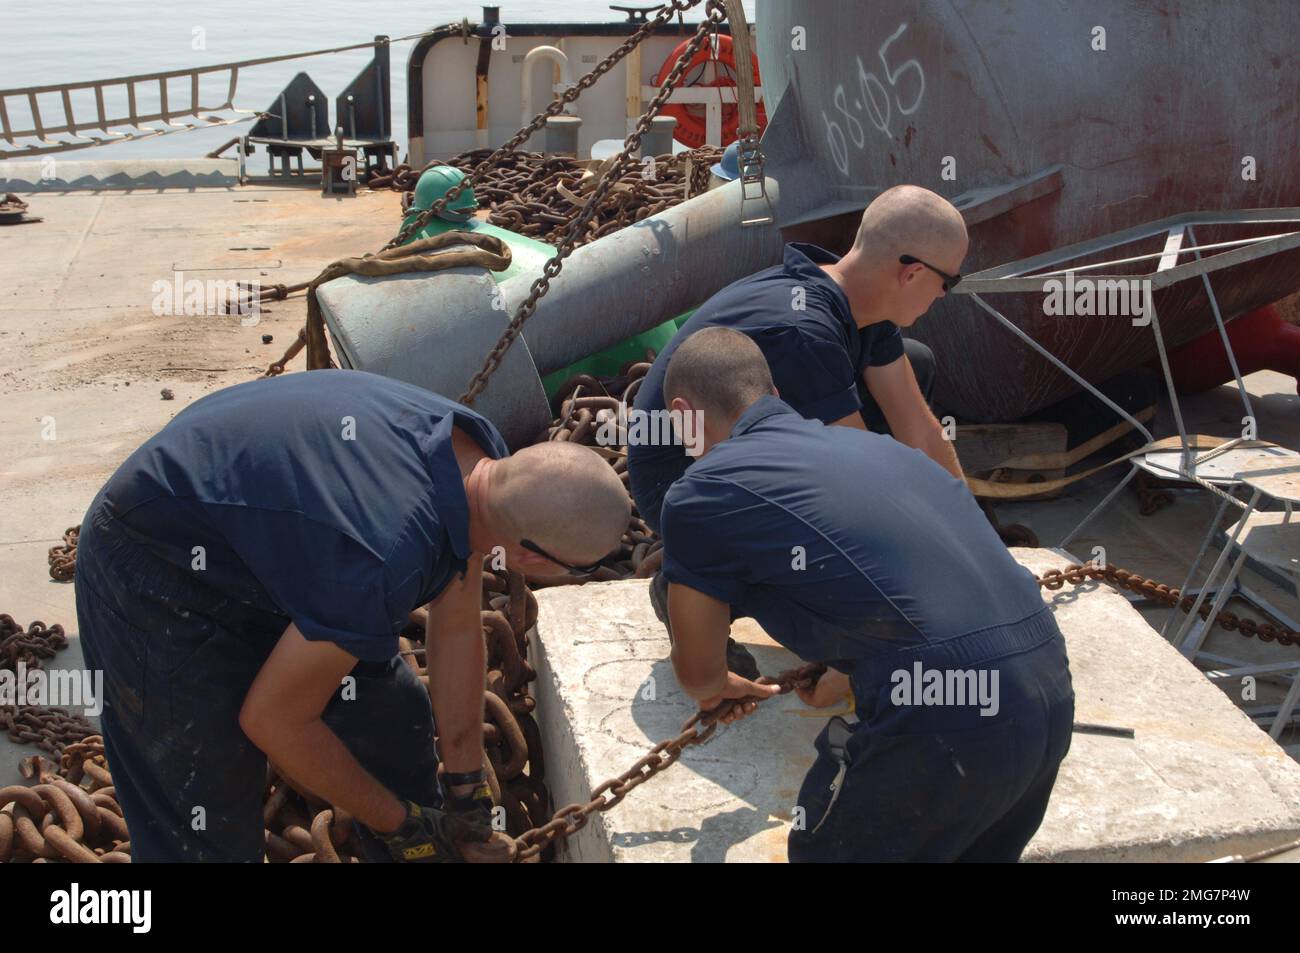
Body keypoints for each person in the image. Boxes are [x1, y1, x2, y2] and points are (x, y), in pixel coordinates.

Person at [74, 369, 629, 862]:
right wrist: (404, 826)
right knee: (204, 820)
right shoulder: (382, 558)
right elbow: (274, 721)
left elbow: (456, 623)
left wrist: (467, 791)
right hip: (152, 560)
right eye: (568, 571)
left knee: (392, 720)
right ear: (531, 554)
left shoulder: (480, 460)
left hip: (270, 547)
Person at [657, 328, 1075, 862]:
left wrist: (719, 688)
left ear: (682, 415)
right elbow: (910, 581)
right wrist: (848, 666)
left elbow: (698, 672)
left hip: (945, 716)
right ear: (775, 396)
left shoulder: (701, 491)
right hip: (1046, 685)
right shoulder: (883, 450)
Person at [627, 185, 969, 672]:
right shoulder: (802, 333)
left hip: (743, 446)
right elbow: (864, 484)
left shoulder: (859, 300)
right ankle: (698, 583)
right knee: (840, 562)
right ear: (911, 273)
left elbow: (919, 427)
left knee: (916, 365)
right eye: (948, 282)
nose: (943, 294)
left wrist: (972, 540)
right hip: (681, 484)